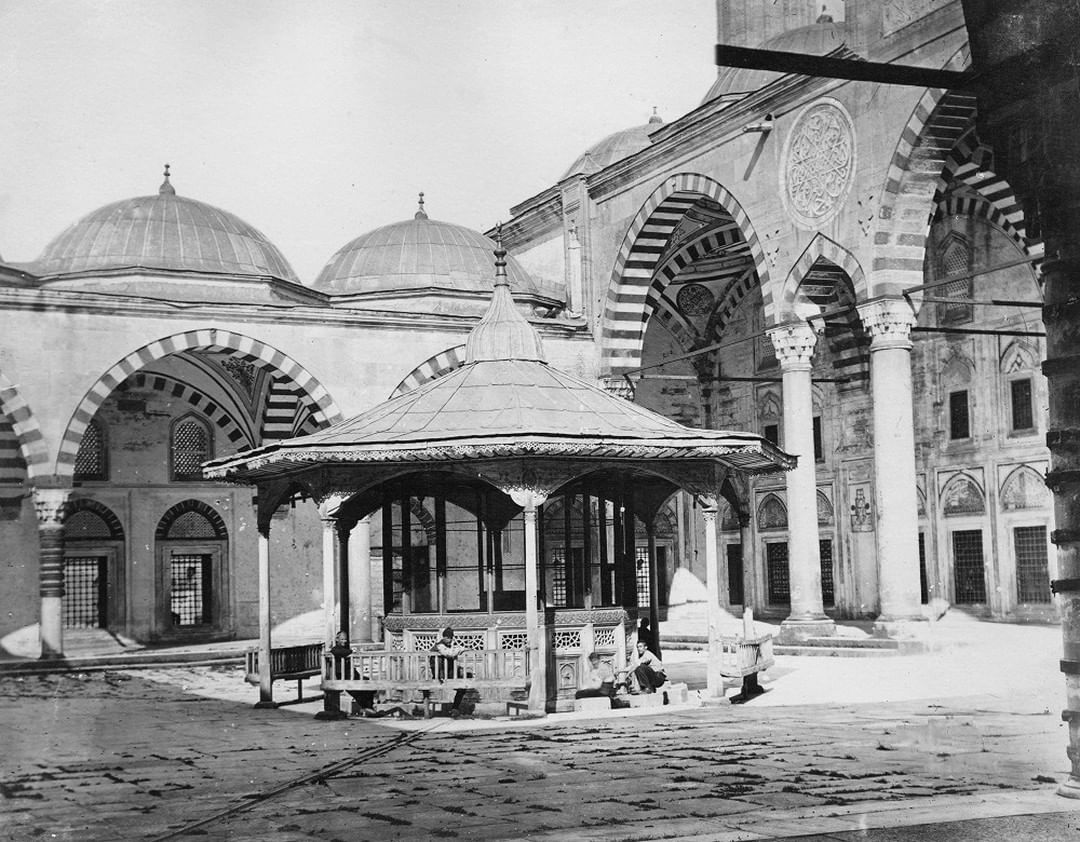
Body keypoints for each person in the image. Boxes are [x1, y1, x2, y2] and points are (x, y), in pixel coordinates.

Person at [330, 631, 377, 715]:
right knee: (359, 689)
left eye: (345, 639)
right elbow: (338, 652)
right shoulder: (335, 649)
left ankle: (368, 707)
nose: (344, 641)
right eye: (342, 639)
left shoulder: (344, 649)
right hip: (345, 677)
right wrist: (351, 652)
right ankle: (366, 707)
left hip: (352, 675)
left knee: (370, 683)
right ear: (337, 639)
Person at [431, 627, 468, 713]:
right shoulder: (439, 646)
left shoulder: (447, 646)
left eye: (451, 638)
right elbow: (450, 654)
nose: (450, 639)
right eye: (448, 637)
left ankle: (454, 709)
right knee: (462, 685)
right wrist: (460, 649)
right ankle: (454, 708)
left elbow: (452, 651)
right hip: (440, 675)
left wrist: (462, 648)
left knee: (463, 685)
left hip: (447, 673)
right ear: (443, 637)